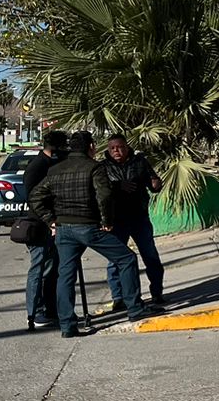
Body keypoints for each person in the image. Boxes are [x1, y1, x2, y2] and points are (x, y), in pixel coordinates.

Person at [28, 131, 146, 336]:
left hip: (64, 229)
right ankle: (135, 309)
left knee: (65, 274)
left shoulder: (55, 170)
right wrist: (107, 221)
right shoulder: (94, 167)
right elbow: (104, 195)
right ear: (91, 146)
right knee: (126, 259)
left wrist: (50, 220)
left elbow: (35, 195)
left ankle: (67, 325)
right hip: (88, 226)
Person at [103, 134, 165, 310]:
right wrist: (118, 186)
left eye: (120, 147)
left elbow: (153, 183)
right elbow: (100, 189)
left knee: (150, 256)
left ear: (127, 147)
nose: (117, 151)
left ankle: (157, 292)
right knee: (115, 260)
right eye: (113, 148)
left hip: (139, 217)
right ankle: (118, 297)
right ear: (108, 150)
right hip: (117, 219)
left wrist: (156, 183)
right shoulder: (103, 167)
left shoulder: (140, 162)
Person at [22, 130, 68, 329]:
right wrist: (49, 221)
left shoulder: (52, 164)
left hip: (52, 225)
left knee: (52, 270)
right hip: (40, 226)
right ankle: (35, 313)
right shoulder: (38, 166)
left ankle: (51, 310)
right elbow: (33, 199)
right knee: (39, 269)